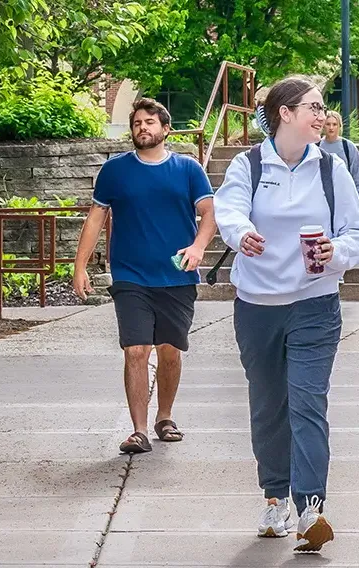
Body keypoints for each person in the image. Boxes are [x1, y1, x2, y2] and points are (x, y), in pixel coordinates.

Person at [214, 76, 359, 554]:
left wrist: (335, 251)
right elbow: (229, 211)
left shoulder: (332, 170)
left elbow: (358, 234)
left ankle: (311, 510)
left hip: (315, 305)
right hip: (257, 308)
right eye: (313, 106)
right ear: (285, 113)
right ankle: (274, 498)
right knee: (269, 407)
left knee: (308, 404)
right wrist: (242, 235)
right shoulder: (247, 165)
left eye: (323, 107)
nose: (322, 114)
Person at [72, 98, 216, 455]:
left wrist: (198, 247)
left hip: (176, 275)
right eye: (137, 122)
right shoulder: (115, 171)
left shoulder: (188, 169)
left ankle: (164, 417)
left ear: (165, 130)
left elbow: (209, 212)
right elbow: (95, 219)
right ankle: (138, 430)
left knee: (169, 350)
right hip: (130, 275)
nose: (143, 128)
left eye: (150, 122)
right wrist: (79, 266)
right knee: (136, 350)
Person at [319, 110, 359, 199]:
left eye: (334, 124)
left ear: (340, 126)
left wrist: (358, 198)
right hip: (321, 196)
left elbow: (357, 174)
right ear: (323, 126)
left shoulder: (348, 147)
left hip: (344, 195)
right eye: (328, 124)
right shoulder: (316, 146)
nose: (331, 127)